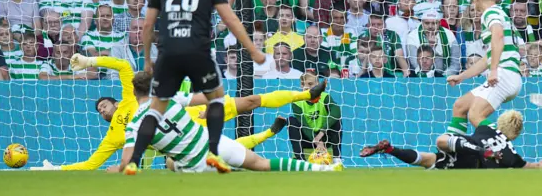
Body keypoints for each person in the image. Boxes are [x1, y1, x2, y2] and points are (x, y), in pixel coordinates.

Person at [33, 53, 326, 171]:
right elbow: (91, 164)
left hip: (200, 111)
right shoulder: (118, 134)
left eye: (103, 105)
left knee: (250, 101)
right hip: (187, 140)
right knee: (187, 160)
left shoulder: (132, 98)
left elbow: (123, 66)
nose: (103, 110)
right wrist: (57, 169)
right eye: (99, 111)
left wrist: (89, 60)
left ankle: (305, 95)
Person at [124, 0, 266, 175]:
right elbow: (230, 19)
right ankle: (212, 153)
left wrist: (148, 59)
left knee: (156, 108)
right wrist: (252, 50)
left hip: (169, 53)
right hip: (198, 50)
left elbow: (148, 24)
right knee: (217, 100)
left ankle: (133, 161)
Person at [109, 72, 342, 174]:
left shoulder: (138, 122)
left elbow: (127, 162)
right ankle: (323, 168)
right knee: (255, 162)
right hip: (201, 134)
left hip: (207, 118)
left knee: (251, 101)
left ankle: (306, 94)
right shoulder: (167, 99)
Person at [446, 0, 522, 135]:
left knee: (475, 115)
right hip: (507, 74)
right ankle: (453, 155)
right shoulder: (499, 12)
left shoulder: (490, 12)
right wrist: (462, 76)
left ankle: (504, 152)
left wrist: (493, 70)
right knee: (460, 106)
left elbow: (498, 36)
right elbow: (488, 57)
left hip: (504, 74)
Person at [360, 110, 542, 169]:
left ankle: (392, 149)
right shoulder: (512, 155)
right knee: (428, 160)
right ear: (516, 133)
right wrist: (540, 164)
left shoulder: (487, 127)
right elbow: (533, 166)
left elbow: (475, 112)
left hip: (462, 144)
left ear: (501, 122)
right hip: (470, 163)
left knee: (438, 145)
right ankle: (391, 150)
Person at [289, 71, 342, 163]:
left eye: (311, 84)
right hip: (308, 137)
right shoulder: (297, 102)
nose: (308, 87)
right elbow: (304, 125)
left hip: (325, 137)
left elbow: (336, 112)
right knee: (291, 121)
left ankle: (337, 158)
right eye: (305, 84)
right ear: (302, 86)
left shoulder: (325, 97)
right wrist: (317, 140)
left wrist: (321, 134)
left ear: (317, 84)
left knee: (337, 121)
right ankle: (300, 160)